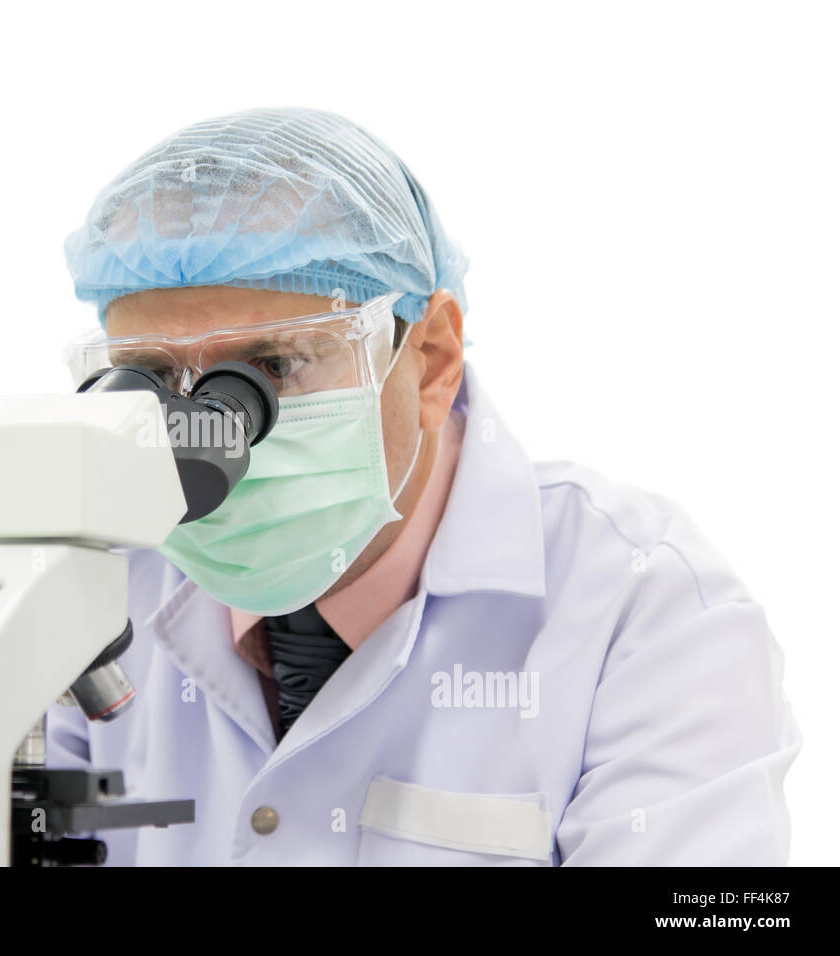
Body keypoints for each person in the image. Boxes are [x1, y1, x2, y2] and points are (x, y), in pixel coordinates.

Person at [47, 107, 800, 865]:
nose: (206, 438)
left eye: (271, 368)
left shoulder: (650, 611)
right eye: (151, 377)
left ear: (433, 358)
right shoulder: (83, 585)